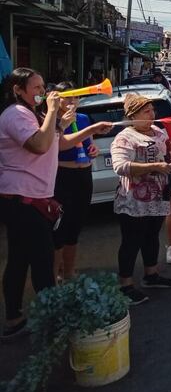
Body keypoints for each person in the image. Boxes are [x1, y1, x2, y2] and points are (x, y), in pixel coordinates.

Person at [0, 68, 111, 338]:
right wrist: (52, 112)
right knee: (41, 260)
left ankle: (14, 319)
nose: (42, 92)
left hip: (31, 198)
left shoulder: (30, 114)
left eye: (42, 86)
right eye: (36, 88)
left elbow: (57, 143)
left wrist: (91, 129)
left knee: (19, 259)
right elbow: (38, 145)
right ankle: (53, 321)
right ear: (18, 90)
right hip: (23, 199)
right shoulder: (16, 115)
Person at [111, 93, 171, 305]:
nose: (152, 114)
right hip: (134, 201)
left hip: (158, 196)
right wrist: (154, 166)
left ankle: (151, 274)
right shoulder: (125, 137)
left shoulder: (158, 131)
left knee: (151, 237)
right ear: (132, 116)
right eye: (146, 111)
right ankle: (126, 284)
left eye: (152, 110)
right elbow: (120, 166)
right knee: (132, 241)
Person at [51, 82, 101, 281]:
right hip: (62, 176)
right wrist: (62, 123)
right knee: (59, 229)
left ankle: (69, 271)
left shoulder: (83, 118)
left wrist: (93, 150)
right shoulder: (51, 121)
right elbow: (58, 146)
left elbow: (89, 144)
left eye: (75, 97)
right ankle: (54, 276)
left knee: (75, 226)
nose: (72, 101)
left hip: (83, 175)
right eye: (67, 97)